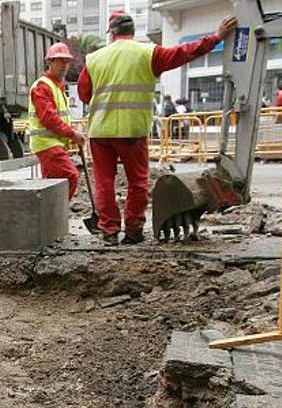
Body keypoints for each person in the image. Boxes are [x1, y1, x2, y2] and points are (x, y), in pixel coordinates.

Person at [78, 9, 237, 245]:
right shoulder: (148, 53)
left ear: (111, 33)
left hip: (101, 132)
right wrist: (216, 37)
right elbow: (184, 53)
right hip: (132, 131)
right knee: (137, 182)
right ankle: (133, 230)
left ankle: (109, 230)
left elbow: (83, 94)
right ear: (133, 32)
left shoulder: (94, 58)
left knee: (104, 182)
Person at [27, 42, 87, 199]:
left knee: (52, 185)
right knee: (70, 176)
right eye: (60, 61)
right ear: (49, 62)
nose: (64, 65)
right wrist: (73, 134)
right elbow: (49, 119)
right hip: (47, 145)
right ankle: (55, 216)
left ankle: (49, 218)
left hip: (52, 145)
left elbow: (58, 117)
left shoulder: (56, 86)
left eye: (66, 61)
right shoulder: (43, 86)